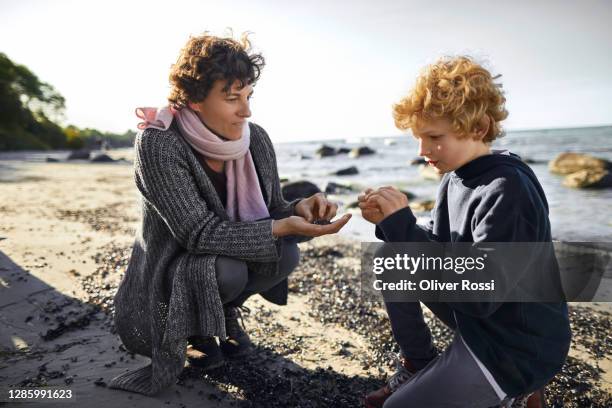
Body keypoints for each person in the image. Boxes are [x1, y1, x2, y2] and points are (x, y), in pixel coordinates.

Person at [108, 32, 351, 396]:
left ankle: (221, 313)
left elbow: (271, 211)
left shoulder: (255, 139)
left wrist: (300, 210)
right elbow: (198, 233)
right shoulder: (158, 142)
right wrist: (280, 225)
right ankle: (194, 328)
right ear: (193, 99)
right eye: (232, 98)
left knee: (285, 253)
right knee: (229, 268)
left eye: (248, 96)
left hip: (225, 254)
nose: (246, 111)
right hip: (169, 273)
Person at [360, 56, 571, 407]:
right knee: (391, 258)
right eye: (418, 138)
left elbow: (480, 290)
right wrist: (391, 224)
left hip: (515, 346)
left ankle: (521, 387)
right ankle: (419, 362)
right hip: (482, 321)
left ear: (478, 127)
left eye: (433, 137)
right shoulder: (454, 179)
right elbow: (442, 254)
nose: (422, 151)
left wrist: (403, 227)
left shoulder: (508, 189)